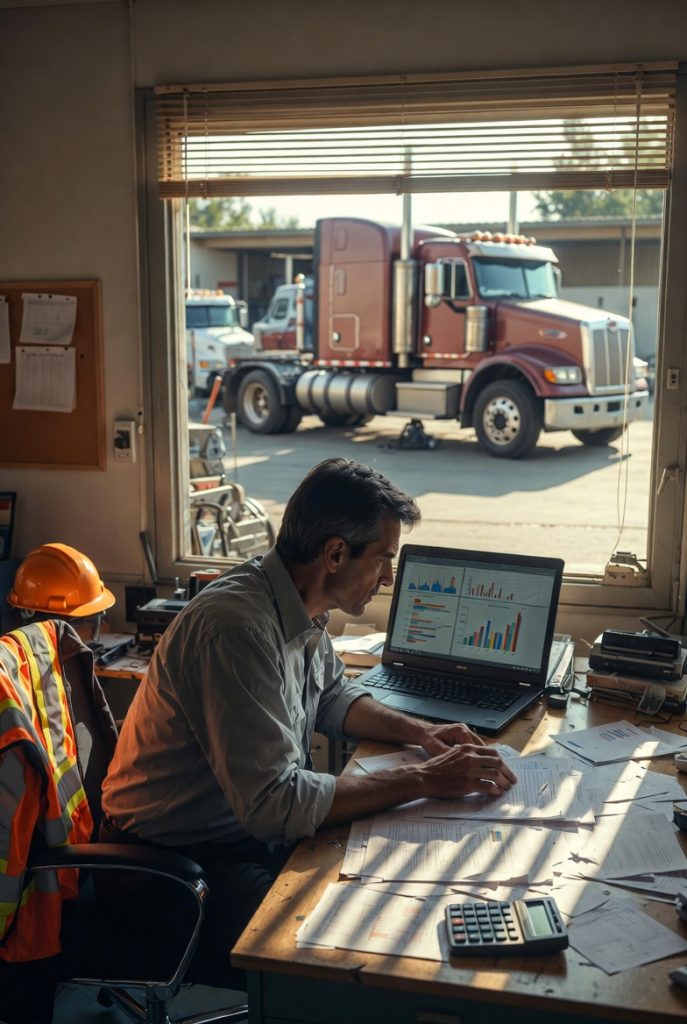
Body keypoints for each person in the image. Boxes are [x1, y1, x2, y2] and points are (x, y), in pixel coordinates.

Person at [99, 458, 516, 987]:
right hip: (166, 870)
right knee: (343, 944)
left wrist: (421, 735)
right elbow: (275, 805)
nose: (389, 578)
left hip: (234, 837)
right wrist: (425, 779)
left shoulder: (298, 604)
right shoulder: (238, 631)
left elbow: (333, 697)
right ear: (336, 553)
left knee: (376, 879)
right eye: (385, 559)